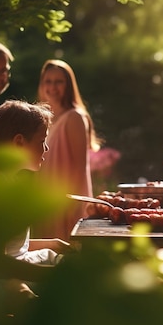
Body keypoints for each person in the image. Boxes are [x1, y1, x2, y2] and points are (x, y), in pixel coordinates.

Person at [0, 99, 73, 311]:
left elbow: (11, 247)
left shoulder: (9, 181)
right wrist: (52, 276)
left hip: (17, 266)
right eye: (41, 141)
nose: (46, 147)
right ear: (18, 143)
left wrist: (52, 243)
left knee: (69, 263)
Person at [35, 59, 100, 241]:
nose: (53, 87)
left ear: (69, 85)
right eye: (48, 81)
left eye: (59, 81)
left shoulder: (75, 117)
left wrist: (69, 205)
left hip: (67, 203)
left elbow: (80, 168)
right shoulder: (44, 119)